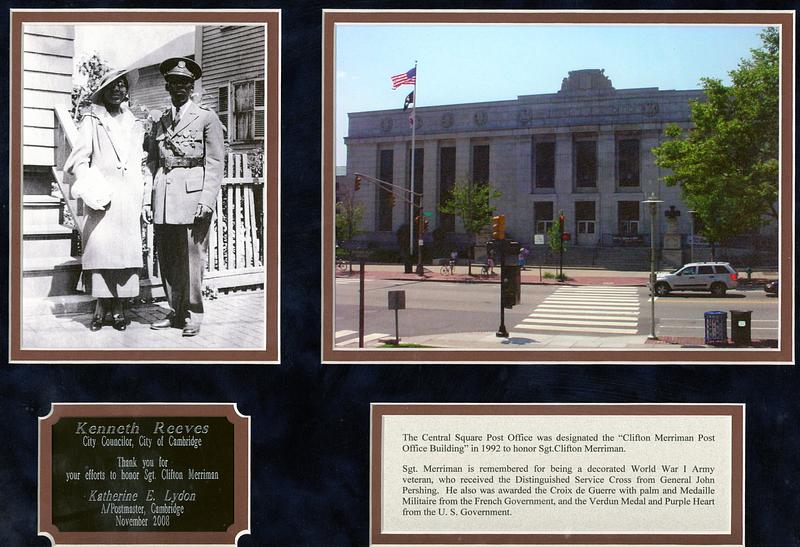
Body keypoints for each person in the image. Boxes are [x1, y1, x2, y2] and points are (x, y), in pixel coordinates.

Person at [144, 57, 224, 337]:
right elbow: (152, 162)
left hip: (193, 197)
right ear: (167, 86)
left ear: (192, 87)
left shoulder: (206, 117)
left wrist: (207, 200)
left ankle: (193, 314)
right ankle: (175, 310)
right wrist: (147, 197)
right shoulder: (161, 120)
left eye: (185, 83)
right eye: (174, 83)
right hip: (164, 196)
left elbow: (214, 163)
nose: (179, 88)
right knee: (168, 258)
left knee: (192, 259)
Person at [65, 68, 147, 332]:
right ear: (103, 91)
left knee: (124, 253)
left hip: (129, 196)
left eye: (122, 85)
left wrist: (143, 198)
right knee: (101, 250)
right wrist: (90, 184)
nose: (118, 90)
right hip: (102, 195)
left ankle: (120, 307)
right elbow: (78, 158)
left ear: (127, 90)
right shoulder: (92, 119)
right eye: (112, 85)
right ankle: (101, 306)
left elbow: (138, 163)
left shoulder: (135, 123)